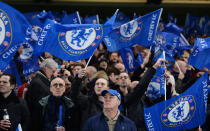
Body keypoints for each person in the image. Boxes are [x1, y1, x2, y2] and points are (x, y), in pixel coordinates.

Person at [25, 58, 58, 131]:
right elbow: (38, 107)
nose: (54, 73)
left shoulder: (43, 81)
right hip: (39, 125)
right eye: (53, 71)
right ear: (46, 68)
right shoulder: (37, 82)